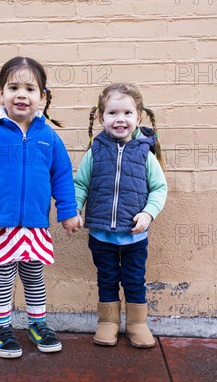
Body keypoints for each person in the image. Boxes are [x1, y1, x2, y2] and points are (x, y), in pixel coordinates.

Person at [0, 56, 80, 359]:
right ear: (0, 92)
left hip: (35, 224)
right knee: (2, 276)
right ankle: (1, 327)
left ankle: (38, 324)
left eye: (30, 89)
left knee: (34, 276)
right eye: (14, 87)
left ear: (42, 96)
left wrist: (68, 212)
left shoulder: (48, 137)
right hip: (1, 224)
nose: (21, 94)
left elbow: (62, 176)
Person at [74, 83, 168, 348]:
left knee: (134, 280)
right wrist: (75, 210)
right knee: (106, 278)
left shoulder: (144, 152)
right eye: (112, 113)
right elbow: (80, 184)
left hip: (134, 237)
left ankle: (137, 323)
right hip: (101, 234)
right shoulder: (95, 151)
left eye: (127, 113)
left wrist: (148, 214)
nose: (120, 119)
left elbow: (159, 188)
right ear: (101, 118)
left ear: (138, 117)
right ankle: (108, 322)